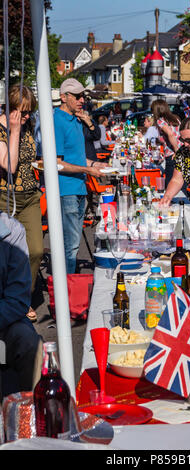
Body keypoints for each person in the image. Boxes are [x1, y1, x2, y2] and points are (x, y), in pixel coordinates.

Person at [53, 78, 107, 274]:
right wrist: (88, 169)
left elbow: (77, 157)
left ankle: (69, 284)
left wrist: (96, 164)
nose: (81, 99)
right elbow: (56, 163)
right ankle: (66, 288)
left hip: (78, 186)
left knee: (73, 242)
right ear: (63, 97)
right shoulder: (57, 120)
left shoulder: (75, 119)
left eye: (82, 95)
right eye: (77, 96)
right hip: (65, 188)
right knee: (71, 243)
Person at [0, 84, 43, 323]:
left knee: (35, 250)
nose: (26, 117)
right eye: (23, 112)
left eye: (29, 112)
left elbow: (29, 159)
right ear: (10, 108)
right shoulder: (2, 129)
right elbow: (10, 166)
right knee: (8, 254)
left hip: (29, 196)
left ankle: (22, 297)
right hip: (5, 197)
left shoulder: (28, 126)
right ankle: (10, 300)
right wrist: (14, 131)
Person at [0, 210, 42, 396]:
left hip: (4, 321)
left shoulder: (11, 230)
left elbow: (17, 299)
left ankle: (30, 413)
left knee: (30, 343)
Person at [151, 99, 182, 187]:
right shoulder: (175, 118)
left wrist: (176, 150)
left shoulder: (160, 121)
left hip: (172, 154)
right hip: (183, 151)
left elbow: (171, 134)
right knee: (180, 183)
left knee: (171, 184)